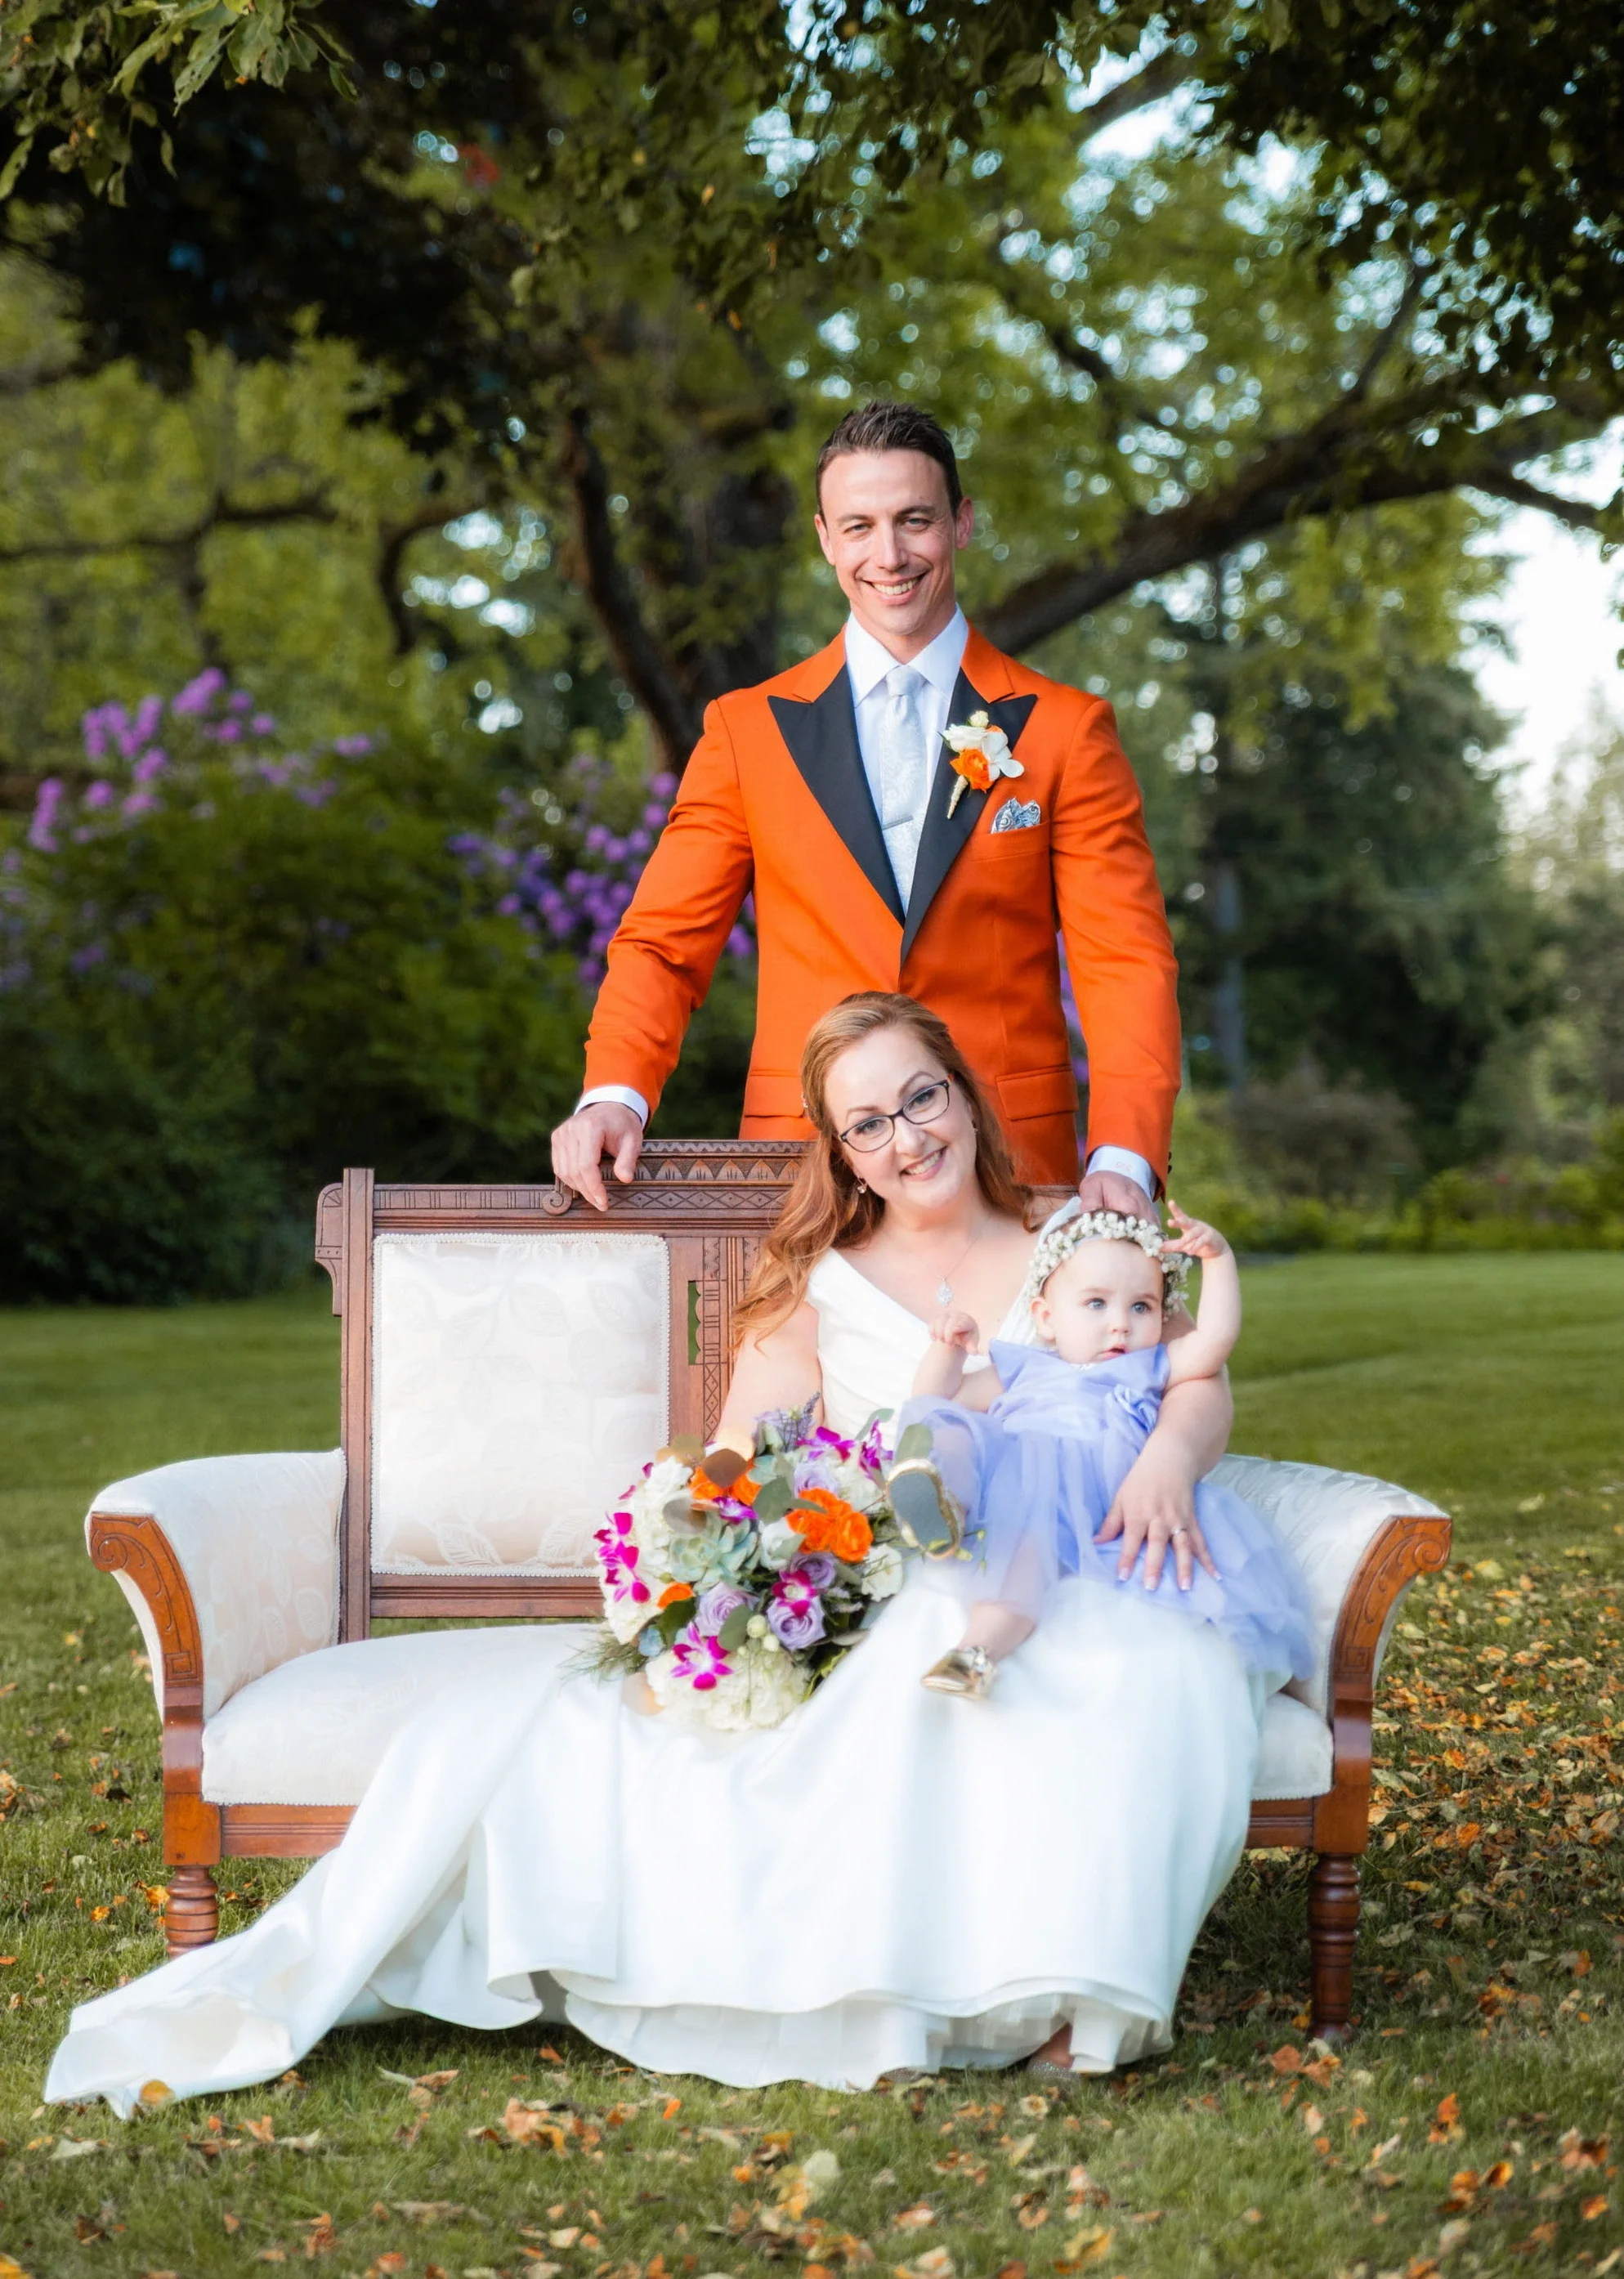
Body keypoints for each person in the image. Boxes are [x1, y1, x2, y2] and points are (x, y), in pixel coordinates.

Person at [47, 995, 1263, 2110]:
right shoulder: (818, 1291)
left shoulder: (1070, 1247)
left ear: (964, 1092)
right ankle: (908, 1982)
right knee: (923, 1651)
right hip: (912, 1562)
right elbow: (736, 1460)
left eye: (921, 1096)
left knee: (1146, 1670)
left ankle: (1072, 1997)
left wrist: (1170, 1458)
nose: (905, 1136)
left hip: (1087, 1555)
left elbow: (1179, 1382)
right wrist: (716, 1567)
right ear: (841, 1153)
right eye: (866, 1123)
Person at [550, 396, 1182, 1234]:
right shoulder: (746, 731)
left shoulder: (1066, 731)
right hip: (803, 1166)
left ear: (960, 523)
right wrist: (613, 1094)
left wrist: (1124, 1153)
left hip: (1010, 1169)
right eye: (858, 527)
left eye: (913, 520)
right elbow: (664, 943)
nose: (887, 554)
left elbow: (1124, 961)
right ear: (823, 537)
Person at [888, 1204, 1314, 1700]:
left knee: (1026, 1554)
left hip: (1087, 1495)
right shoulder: (1023, 1367)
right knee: (954, 1433)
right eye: (1096, 1304)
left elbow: (1215, 1341)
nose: (1121, 1325)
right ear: (1045, 1319)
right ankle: (941, 1502)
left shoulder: (1148, 1367)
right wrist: (949, 1351)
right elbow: (936, 1403)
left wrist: (1217, 1258)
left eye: (1142, 1307)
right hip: (1012, 1479)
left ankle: (976, 1653)